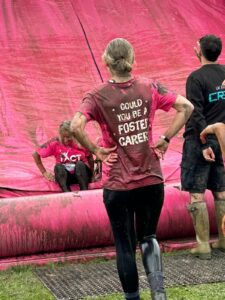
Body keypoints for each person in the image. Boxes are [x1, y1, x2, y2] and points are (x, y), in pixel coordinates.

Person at [70, 38, 193, 300]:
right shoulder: (149, 86)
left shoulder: (96, 95)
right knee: (148, 237)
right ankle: (159, 296)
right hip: (151, 178)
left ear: (105, 61)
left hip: (118, 184)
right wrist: (167, 138)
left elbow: (75, 126)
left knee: (124, 246)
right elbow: (186, 107)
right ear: (132, 60)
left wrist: (96, 151)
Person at [181, 34, 225, 260]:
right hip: (222, 140)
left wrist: (203, 143)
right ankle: (224, 240)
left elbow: (195, 113)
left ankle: (203, 245)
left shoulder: (195, 78)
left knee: (197, 194)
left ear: (200, 51)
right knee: (221, 191)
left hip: (199, 142)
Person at [32, 120, 94, 192]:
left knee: (80, 164)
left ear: (74, 135)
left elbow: (90, 157)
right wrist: (44, 172)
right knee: (58, 167)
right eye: (63, 137)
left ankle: (84, 191)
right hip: (66, 177)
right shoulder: (55, 142)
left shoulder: (81, 141)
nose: (65, 140)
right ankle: (66, 193)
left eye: (68, 137)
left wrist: (93, 175)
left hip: (82, 174)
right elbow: (35, 154)